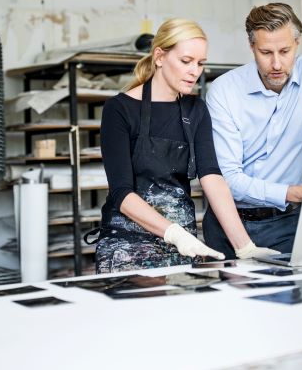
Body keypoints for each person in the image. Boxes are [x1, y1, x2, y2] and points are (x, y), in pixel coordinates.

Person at [91, 18, 278, 273]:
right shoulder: (120, 109)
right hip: (127, 247)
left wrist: (244, 246)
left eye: (201, 63)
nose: (195, 71)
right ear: (159, 56)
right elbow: (121, 194)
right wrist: (174, 233)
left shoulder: (196, 110)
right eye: (186, 61)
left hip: (184, 249)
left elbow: (212, 178)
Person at [203, 3, 302, 258]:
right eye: (266, 52)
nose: (276, 64)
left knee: (292, 294)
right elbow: (227, 179)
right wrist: (296, 192)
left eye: (285, 51)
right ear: (251, 46)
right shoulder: (223, 91)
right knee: (230, 297)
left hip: (287, 225)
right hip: (228, 225)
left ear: (297, 43)